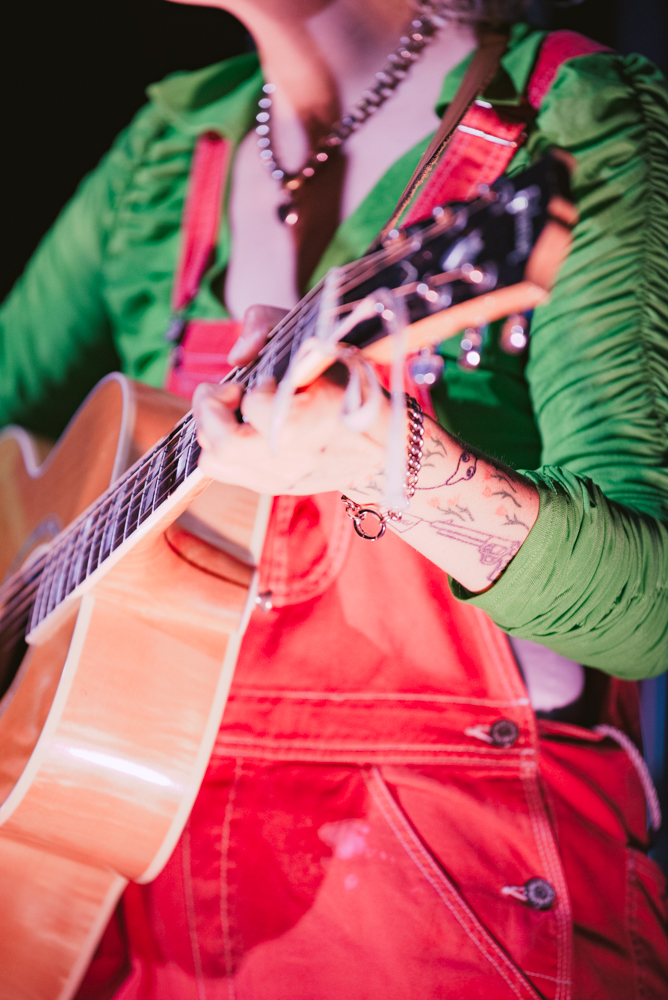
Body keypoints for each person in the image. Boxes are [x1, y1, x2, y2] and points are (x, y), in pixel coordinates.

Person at [1, 0, 668, 996]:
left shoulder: (566, 117)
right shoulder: (177, 144)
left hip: (445, 887)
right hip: (130, 882)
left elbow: (647, 612)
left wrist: (378, 462)